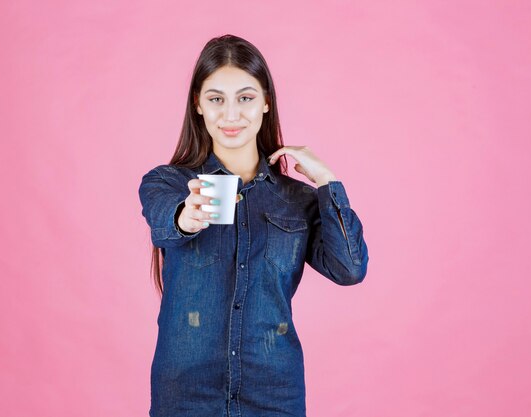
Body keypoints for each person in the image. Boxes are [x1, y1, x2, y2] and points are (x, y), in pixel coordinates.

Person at [138, 34, 369, 417]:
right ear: (198, 104)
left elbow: (350, 269)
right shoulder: (168, 183)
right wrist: (187, 216)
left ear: (265, 103)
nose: (231, 115)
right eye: (216, 99)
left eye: (245, 98)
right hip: (185, 396)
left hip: (274, 394)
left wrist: (328, 182)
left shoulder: (298, 200)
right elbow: (167, 219)